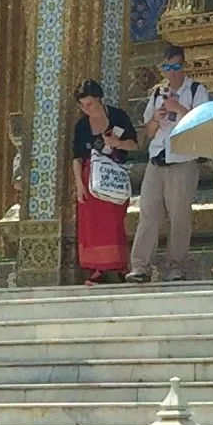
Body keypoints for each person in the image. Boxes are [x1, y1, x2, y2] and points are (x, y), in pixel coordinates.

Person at [128, 45, 207, 283]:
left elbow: (201, 122)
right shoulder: (157, 94)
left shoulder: (196, 90)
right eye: (167, 68)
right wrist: (156, 118)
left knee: (179, 216)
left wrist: (179, 108)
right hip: (157, 158)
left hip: (182, 159)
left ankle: (175, 266)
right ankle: (140, 266)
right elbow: (148, 132)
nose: (171, 73)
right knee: (149, 214)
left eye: (176, 67)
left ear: (183, 66)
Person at [70, 79, 138, 283]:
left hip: (113, 175)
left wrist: (117, 143)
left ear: (98, 98)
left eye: (89, 103)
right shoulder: (82, 125)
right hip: (90, 177)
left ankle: (119, 265)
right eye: (82, 105)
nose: (86, 108)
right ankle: (97, 269)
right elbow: (77, 156)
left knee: (115, 221)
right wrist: (79, 184)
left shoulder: (118, 116)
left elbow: (134, 144)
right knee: (92, 224)